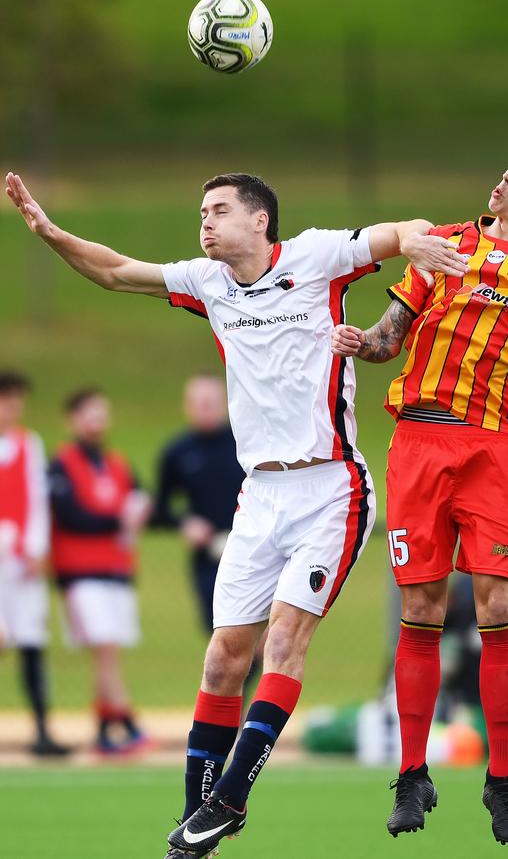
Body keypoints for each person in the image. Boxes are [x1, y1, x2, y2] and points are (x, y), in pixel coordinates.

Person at [5, 169, 468, 857]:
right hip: (259, 497)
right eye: (201, 211)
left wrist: (417, 244)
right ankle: (197, 821)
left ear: (260, 221)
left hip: (329, 489)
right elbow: (116, 273)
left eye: (218, 209)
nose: (205, 221)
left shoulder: (314, 257)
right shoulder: (206, 281)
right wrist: (51, 232)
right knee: (223, 658)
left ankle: (231, 798)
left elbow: (399, 232)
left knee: (284, 642)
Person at [331, 143, 508, 845]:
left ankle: (500, 781)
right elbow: (387, 339)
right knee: (421, 605)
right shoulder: (443, 246)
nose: (505, 174)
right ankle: (411, 773)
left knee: (498, 604)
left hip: (493, 451)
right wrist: (353, 340)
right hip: (421, 445)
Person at [49, 388, 152, 754]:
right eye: (88, 414)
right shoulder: (62, 464)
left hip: (117, 569)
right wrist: (117, 519)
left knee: (108, 651)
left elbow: (140, 501)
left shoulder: (117, 463)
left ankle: (105, 730)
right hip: (80, 572)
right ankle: (128, 722)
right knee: (104, 647)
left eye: (101, 413)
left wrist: (139, 512)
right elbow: (71, 516)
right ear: (73, 419)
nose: (96, 421)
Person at [0, 370, 69, 756]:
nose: (13, 408)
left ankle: (42, 728)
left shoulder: (29, 444)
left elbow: (36, 501)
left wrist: (37, 548)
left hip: (20, 559)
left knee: (30, 640)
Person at [151, 374, 245, 635]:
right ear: (187, 406)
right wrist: (184, 523)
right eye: (199, 402)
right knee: (220, 632)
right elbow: (160, 508)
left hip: (252, 550)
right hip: (208, 556)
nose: (205, 408)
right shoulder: (177, 452)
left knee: (259, 632)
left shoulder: (246, 445)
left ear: (225, 403)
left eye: (211, 401)